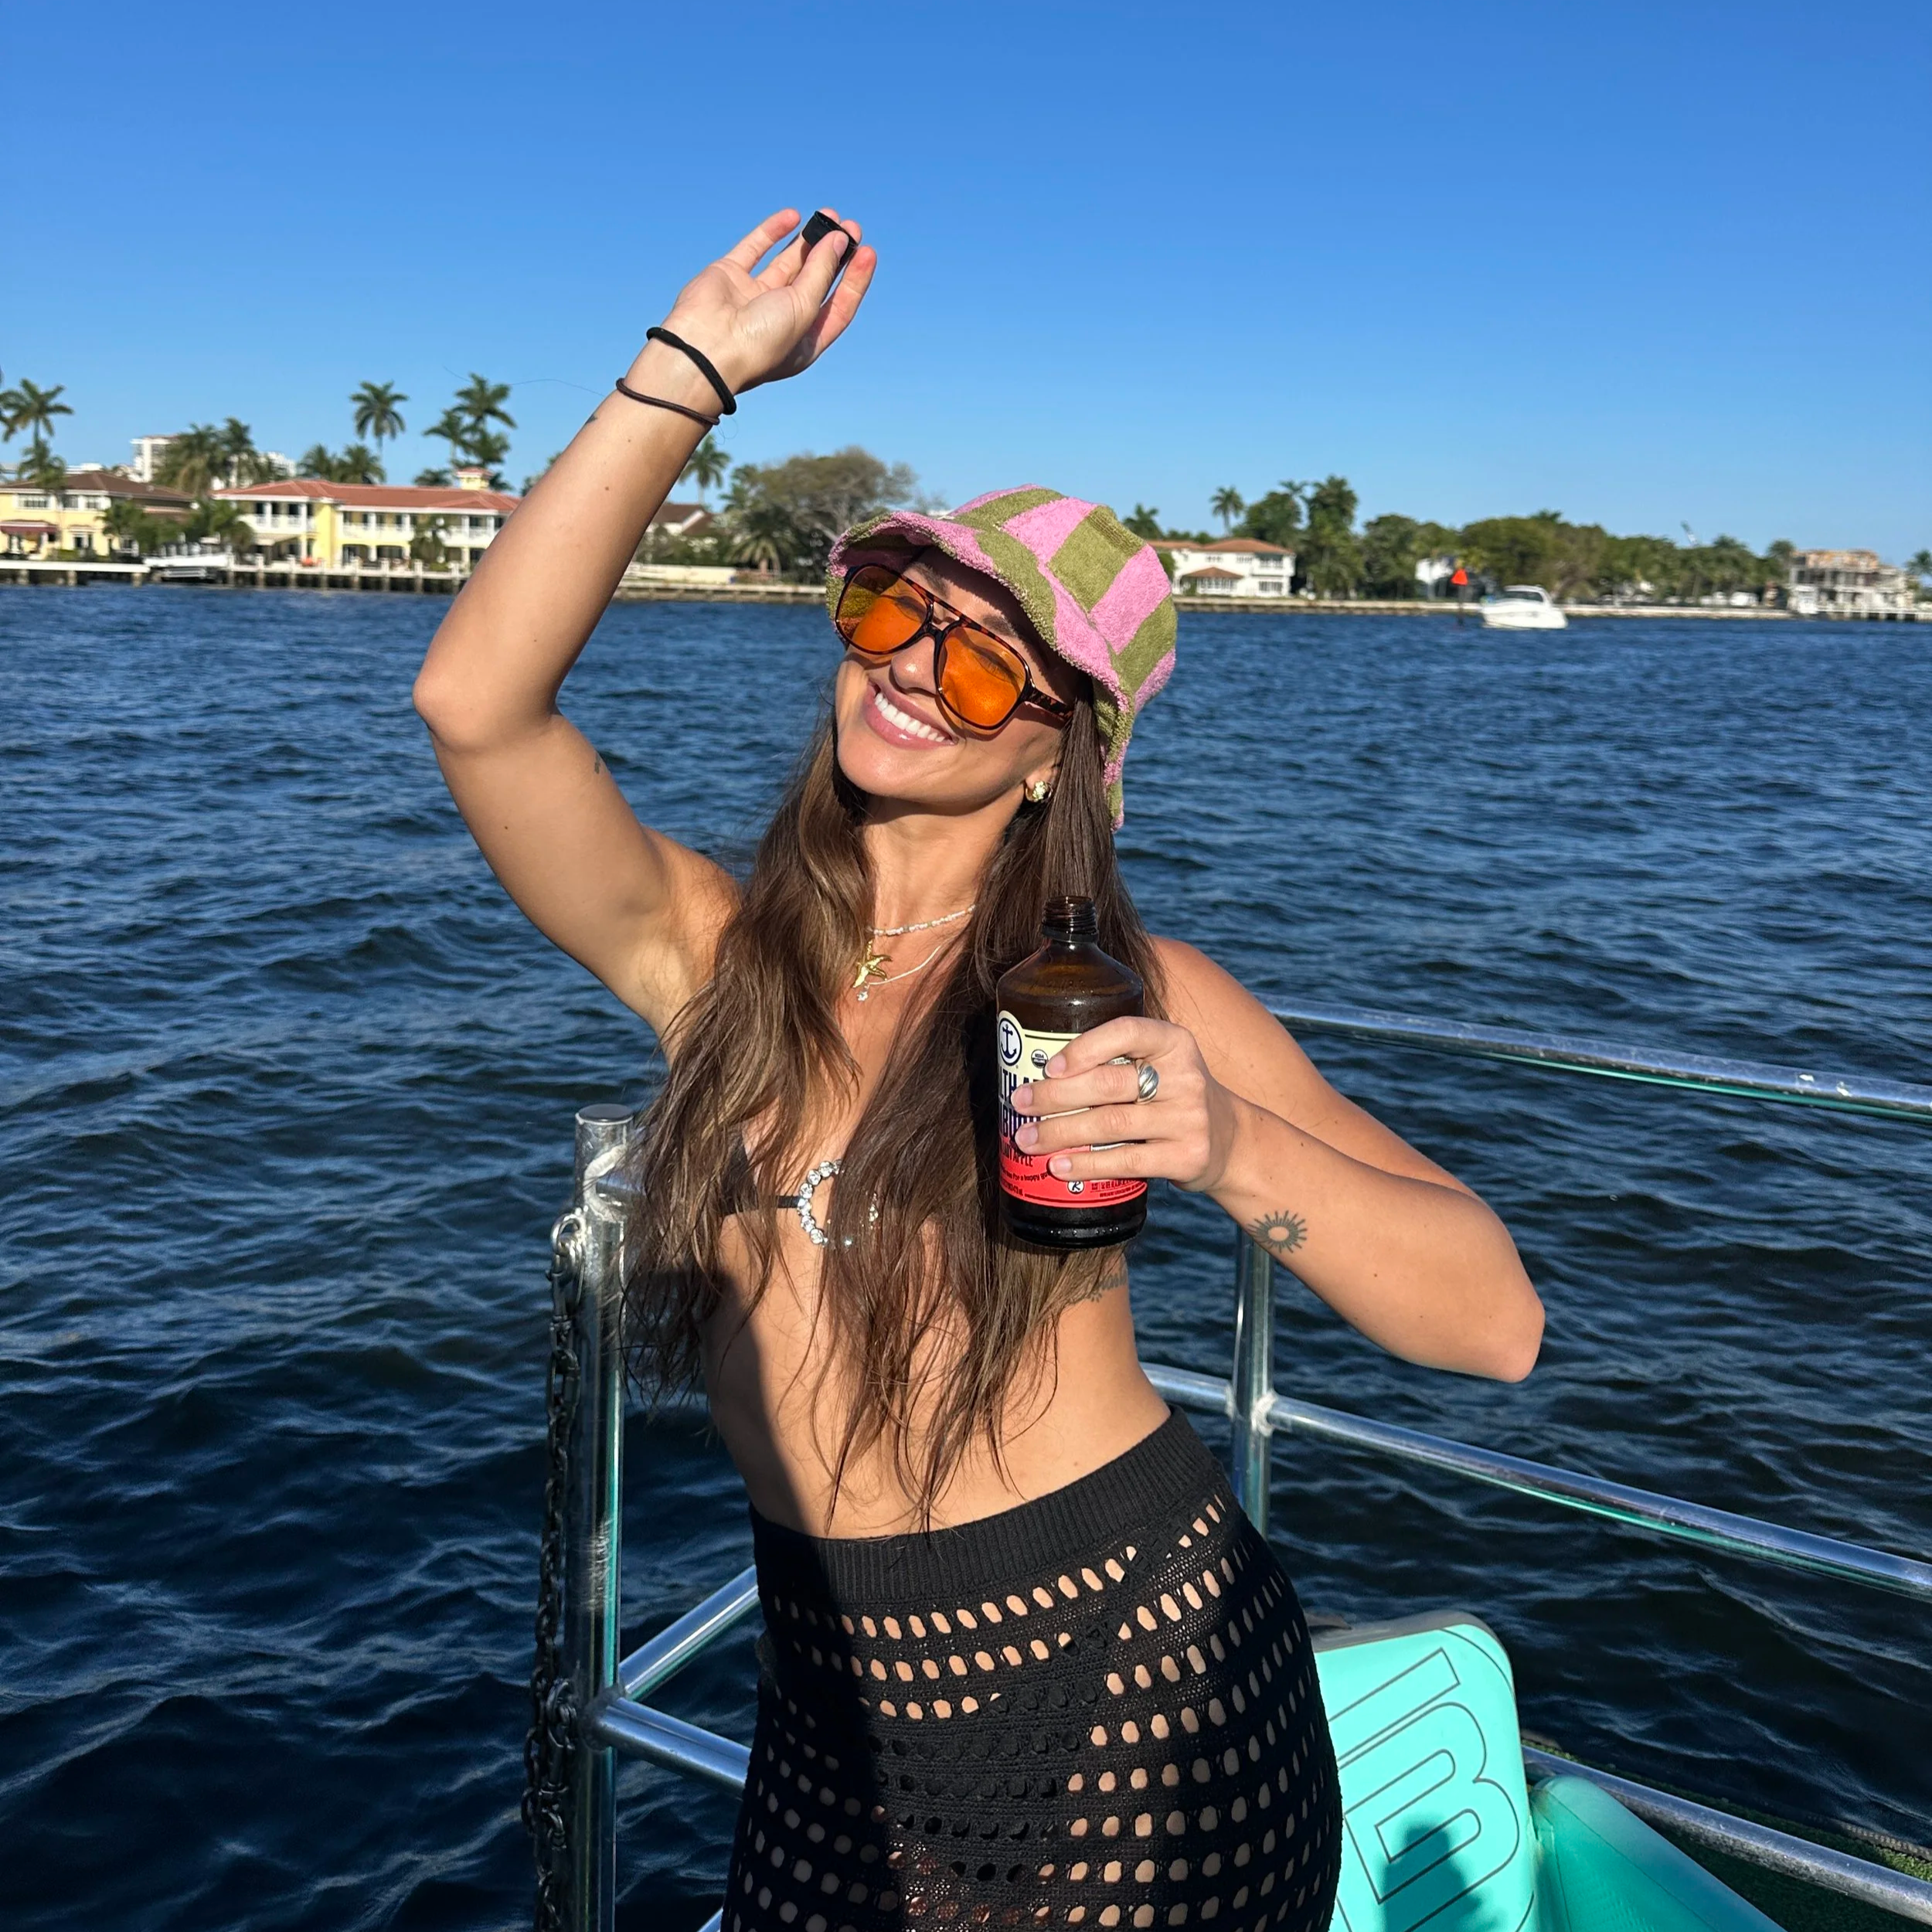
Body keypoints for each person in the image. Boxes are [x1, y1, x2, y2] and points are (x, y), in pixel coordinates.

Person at [413, 209, 1544, 1932]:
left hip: (1136, 1683)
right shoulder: (718, 955)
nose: (908, 674)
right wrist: (693, 370)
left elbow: (1492, 1320)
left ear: (1057, 755)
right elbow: (476, 705)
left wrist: (1230, 1143)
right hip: (833, 1718)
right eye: (886, 607)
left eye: (981, 657)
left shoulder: (1123, 995)